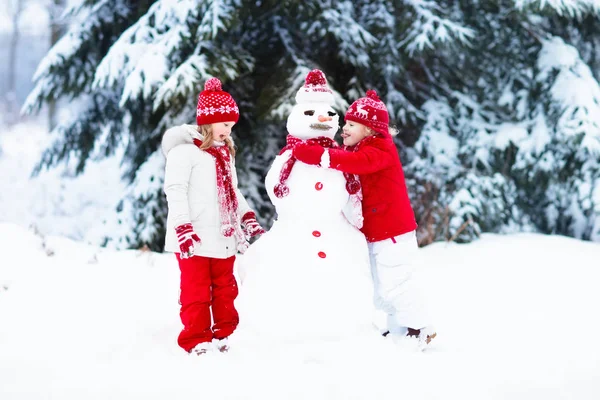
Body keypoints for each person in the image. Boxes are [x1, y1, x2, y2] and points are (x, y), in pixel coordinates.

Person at [292, 90, 436, 346]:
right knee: (382, 286)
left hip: (392, 232)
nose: (344, 129)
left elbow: (357, 163)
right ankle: (399, 330)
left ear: (369, 130)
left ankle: (418, 327)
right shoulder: (364, 147)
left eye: (351, 125)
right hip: (378, 230)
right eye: (345, 123)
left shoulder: (380, 149)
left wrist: (318, 156)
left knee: (397, 281)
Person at [161, 77, 265, 355]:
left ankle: (225, 334)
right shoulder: (183, 152)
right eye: (225, 124)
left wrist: (246, 216)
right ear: (208, 121)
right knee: (195, 292)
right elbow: (175, 190)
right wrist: (183, 226)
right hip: (193, 237)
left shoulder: (223, 153)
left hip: (222, 234)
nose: (229, 131)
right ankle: (196, 339)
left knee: (225, 288)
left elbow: (233, 191)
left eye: (231, 126)